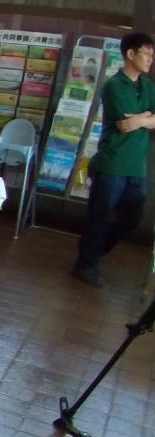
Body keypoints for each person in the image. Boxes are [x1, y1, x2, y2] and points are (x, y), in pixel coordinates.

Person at [72, 32, 155, 288]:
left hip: (136, 167)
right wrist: (147, 118)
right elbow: (124, 124)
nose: (150, 59)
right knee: (100, 215)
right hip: (111, 163)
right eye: (146, 54)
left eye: (152, 55)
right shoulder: (114, 85)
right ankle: (86, 265)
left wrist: (140, 119)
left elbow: (136, 121)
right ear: (130, 54)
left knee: (132, 218)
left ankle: (92, 251)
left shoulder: (148, 86)